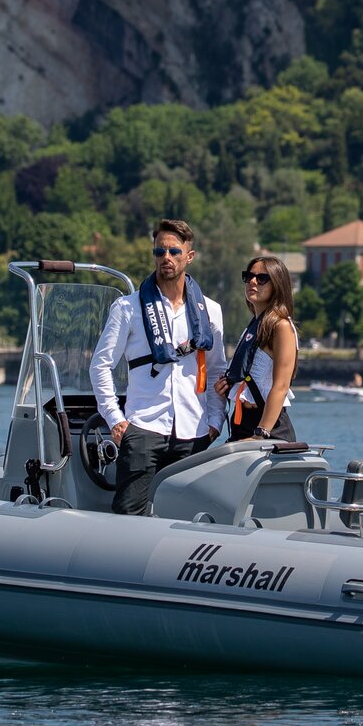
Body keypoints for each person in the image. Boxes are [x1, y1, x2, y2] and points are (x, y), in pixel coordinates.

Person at [88, 219, 228, 515]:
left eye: (174, 251)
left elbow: (216, 370)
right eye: (160, 251)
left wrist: (216, 421)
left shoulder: (210, 311)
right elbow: (100, 365)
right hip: (143, 426)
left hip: (194, 429)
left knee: (187, 516)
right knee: (129, 511)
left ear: (189, 257)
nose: (166, 257)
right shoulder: (127, 307)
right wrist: (114, 419)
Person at [219, 254, 299, 442]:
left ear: (277, 285)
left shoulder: (281, 326)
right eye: (248, 276)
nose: (252, 282)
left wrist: (260, 434)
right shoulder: (254, 325)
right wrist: (228, 385)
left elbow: (281, 386)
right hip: (242, 424)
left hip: (268, 430)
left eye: (262, 278)